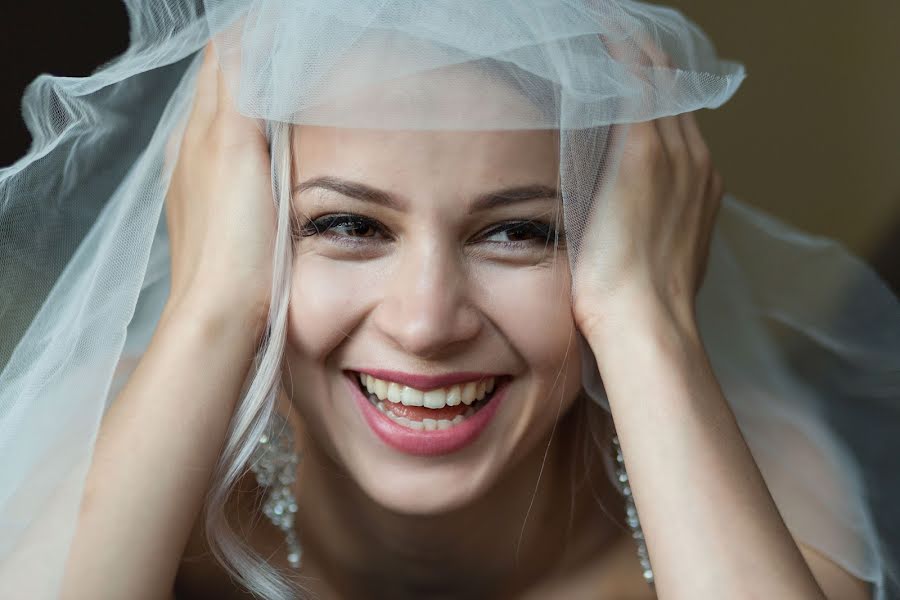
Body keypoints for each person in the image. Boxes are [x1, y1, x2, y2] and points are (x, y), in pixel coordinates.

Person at [1, 1, 897, 599]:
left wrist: (646, 320)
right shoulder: (107, 434)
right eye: (348, 226)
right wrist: (212, 307)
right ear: (242, 232)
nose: (427, 323)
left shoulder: (773, 483)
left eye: (519, 233)